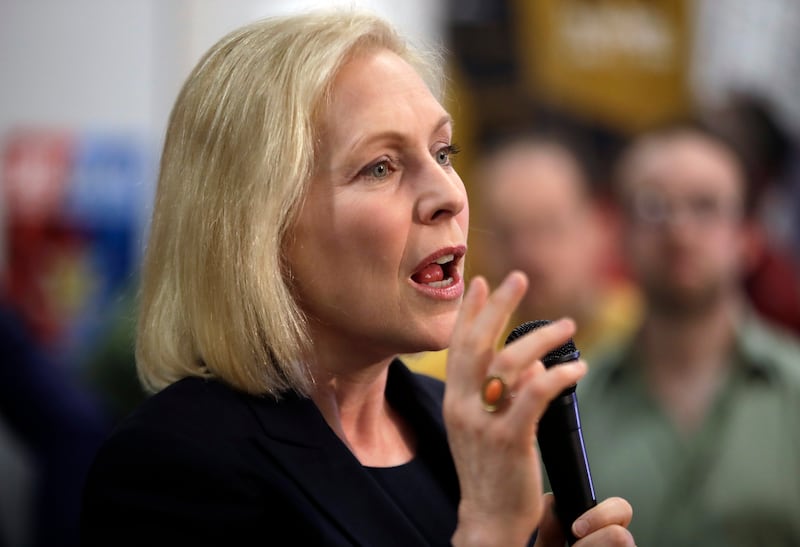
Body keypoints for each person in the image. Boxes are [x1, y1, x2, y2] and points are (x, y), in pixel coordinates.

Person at [78, 9, 634, 547]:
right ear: (260, 225)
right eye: (381, 167)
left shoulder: (454, 426)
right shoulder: (170, 467)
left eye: (444, 152)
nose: (449, 195)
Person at [576, 119, 800, 546]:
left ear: (750, 236)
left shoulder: (795, 390)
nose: (679, 230)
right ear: (619, 233)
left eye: (705, 206)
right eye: (652, 206)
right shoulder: (571, 407)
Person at [406, 130, 643, 380]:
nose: (526, 253)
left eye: (548, 227)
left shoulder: (646, 335)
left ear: (599, 227)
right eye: (504, 233)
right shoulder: (451, 370)